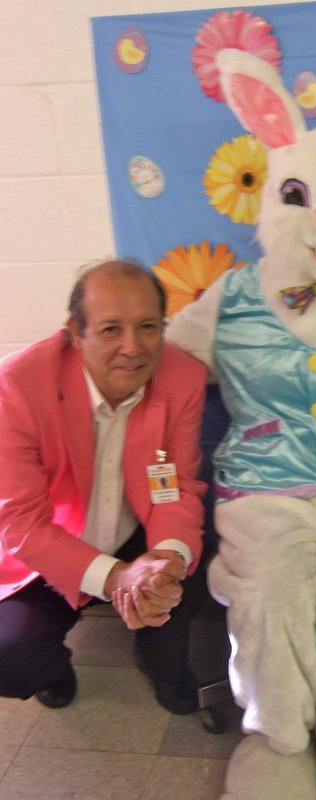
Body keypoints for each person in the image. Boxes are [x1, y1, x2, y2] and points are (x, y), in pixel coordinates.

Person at [0, 259, 208, 715]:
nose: (133, 348)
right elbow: (20, 523)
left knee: (176, 586)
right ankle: (51, 670)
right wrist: (115, 577)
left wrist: (165, 560)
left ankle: (163, 670)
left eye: (148, 327)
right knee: (9, 656)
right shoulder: (16, 384)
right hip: (49, 544)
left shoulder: (183, 378)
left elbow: (176, 487)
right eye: (111, 329)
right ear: (75, 333)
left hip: (140, 529)